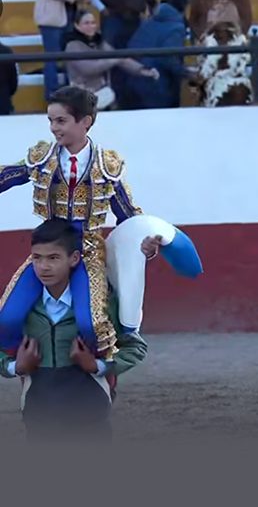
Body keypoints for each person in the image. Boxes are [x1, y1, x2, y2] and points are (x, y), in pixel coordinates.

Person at [0, 86, 160, 366]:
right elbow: (6, 177)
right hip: (49, 248)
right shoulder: (42, 158)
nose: (53, 128)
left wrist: (146, 242)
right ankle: (23, 367)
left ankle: (101, 371)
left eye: (60, 120)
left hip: (87, 251)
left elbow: (128, 214)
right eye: (51, 120)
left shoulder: (107, 166)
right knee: (7, 318)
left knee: (92, 325)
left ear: (85, 121)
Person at [0, 218, 147, 444]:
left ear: (74, 258)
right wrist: (15, 367)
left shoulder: (99, 305)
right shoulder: (22, 309)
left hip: (90, 418)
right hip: (39, 419)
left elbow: (135, 347)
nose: (43, 267)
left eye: (53, 258)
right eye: (37, 258)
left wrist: (97, 366)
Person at [64, 9, 159, 111]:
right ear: (77, 26)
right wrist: (113, 60)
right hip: (81, 97)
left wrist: (142, 70)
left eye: (93, 23)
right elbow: (88, 68)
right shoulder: (72, 46)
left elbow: (119, 57)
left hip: (103, 94)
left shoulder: (99, 41)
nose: (91, 26)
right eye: (86, 23)